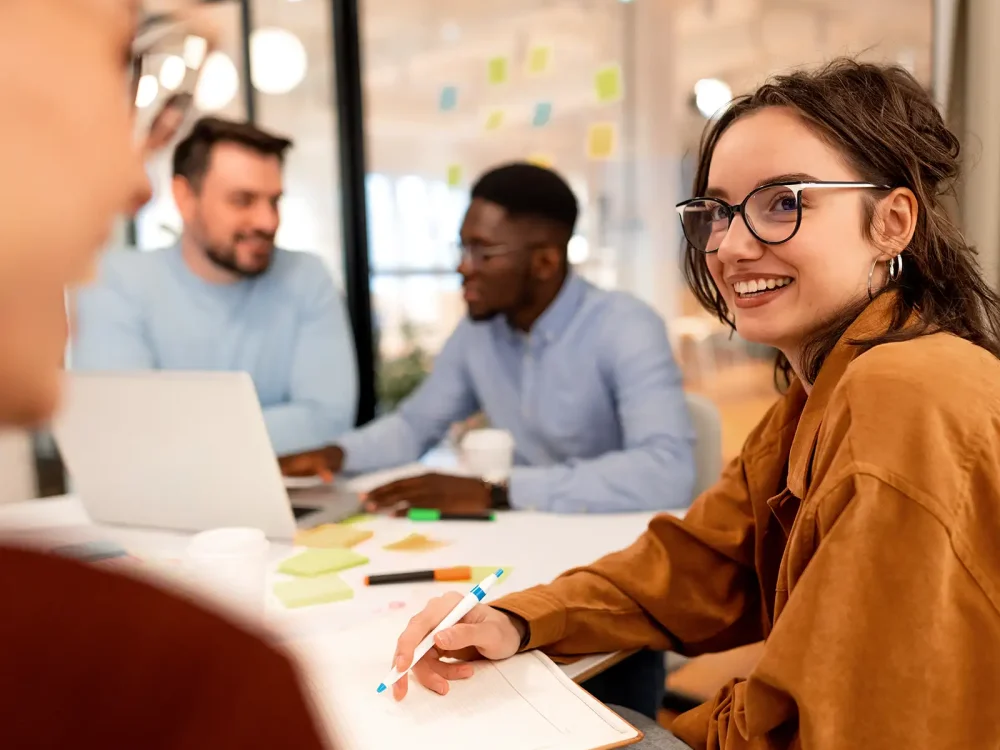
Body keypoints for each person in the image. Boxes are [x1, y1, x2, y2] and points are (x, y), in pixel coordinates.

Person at [387, 59, 1000, 749]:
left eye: (783, 202)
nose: (731, 246)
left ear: (891, 221)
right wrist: (516, 620)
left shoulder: (907, 394)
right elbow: (695, 566)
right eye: (718, 212)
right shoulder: (819, 393)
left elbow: (837, 724)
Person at [0, 1, 325, 747]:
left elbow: (329, 411)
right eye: (115, 73)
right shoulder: (179, 681)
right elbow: (120, 428)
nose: (132, 180)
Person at [281, 162, 696, 515]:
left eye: (483, 252)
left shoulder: (626, 327)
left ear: (546, 261)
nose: (463, 268)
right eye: (462, 249)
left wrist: (497, 490)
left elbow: (667, 472)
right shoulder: (479, 331)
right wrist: (335, 455)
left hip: (615, 542)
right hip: (528, 534)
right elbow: (414, 426)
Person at [72, 116, 358, 456]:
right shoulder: (115, 281)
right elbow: (121, 429)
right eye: (242, 200)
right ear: (184, 197)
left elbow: (328, 420)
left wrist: (176, 437)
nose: (268, 221)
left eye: (274, 201)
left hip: (277, 498)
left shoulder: (307, 276)